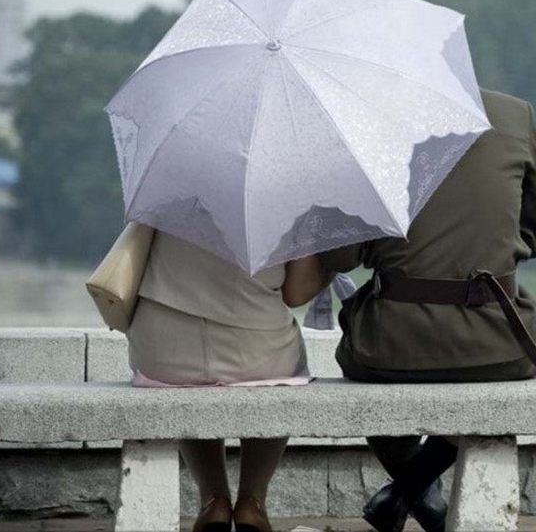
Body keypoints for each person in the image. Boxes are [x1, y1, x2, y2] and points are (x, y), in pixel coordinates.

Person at [317, 89, 536, 532]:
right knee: (473, 374)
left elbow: (340, 259)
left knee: (364, 360)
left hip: (389, 349)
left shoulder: (369, 122)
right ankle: (414, 490)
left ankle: (408, 490)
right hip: (501, 344)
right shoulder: (516, 114)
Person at [127, 230, 332, 532]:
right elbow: (296, 292)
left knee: (188, 382)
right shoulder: (285, 197)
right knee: (282, 375)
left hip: (163, 353)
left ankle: (213, 500)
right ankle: (252, 502)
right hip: (255, 353)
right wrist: (330, 269)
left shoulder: (165, 191)